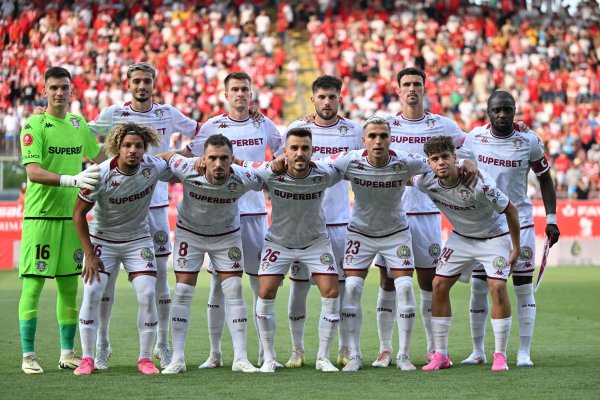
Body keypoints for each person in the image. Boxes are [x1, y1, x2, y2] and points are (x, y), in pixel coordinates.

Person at [88, 62, 200, 369]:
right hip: (117, 208)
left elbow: (202, 131)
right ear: (128, 84)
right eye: (136, 81)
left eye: (146, 81)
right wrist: (99, 163)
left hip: (156, 207)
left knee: (160, 278)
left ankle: (162, 345)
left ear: (154, 84)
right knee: (105, 282)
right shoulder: (114, 113)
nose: (141, 86)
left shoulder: (167, 113)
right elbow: (84, 135)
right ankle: (102, 345)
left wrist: (182, 154)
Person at [373, 67, 477, 367]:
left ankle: (433, 348)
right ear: (398, 90)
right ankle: (385, 348)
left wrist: (468, 161)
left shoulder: (441, 124)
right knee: (388, 281)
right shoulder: (386, 125)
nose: (411, 89)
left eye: (416, 84)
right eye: (406, 84)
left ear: (424, 89)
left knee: (428, 281)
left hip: (428, 213)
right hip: (391, 214)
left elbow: (471, 145)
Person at [181, 72, 283, 369]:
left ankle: (265, 354)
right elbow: (191, 157)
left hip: (254, 214)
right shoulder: (213, 126)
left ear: (251, 93)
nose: (240, 93)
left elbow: (281, 158)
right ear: (226, 94)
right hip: (221, 216)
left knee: (259, 284)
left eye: (245, 89)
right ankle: (215, 354)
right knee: (218, 285)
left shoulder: (263, 124)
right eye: (235, 89)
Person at [458, 91, 560, 367]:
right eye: (497, 110)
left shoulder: (529, 140)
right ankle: (477, 351)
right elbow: (457, 163)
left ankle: (524, 352)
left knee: (523, 287)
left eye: (507, 109)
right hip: (484, 224)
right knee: (479, 286)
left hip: (520, 222)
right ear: (488, 112)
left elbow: (545, 179)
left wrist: (551, 218)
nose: (502, 114)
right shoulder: (475, 138)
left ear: (515, 111)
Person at [322, 117, 431, 372]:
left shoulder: (405, 161)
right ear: (364, 140)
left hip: (396, 234)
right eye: (372, 136)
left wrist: (464, 163)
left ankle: (403, 355)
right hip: (360, 234)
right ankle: (355, 355)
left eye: (383, 136)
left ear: (391, 139)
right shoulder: (350, 160)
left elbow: (436, 165)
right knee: (351, 289)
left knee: (405, 289)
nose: (378, 141)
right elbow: (315, 165)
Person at [18, 66, 104, 374]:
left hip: (72, 219)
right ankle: (28, 355)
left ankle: (67, 353)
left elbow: (101, 158)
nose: (58, 92)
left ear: (71, 91)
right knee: (33, 287)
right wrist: (73, 180)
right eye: (53, 87)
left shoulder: (78, 124)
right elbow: (33, 172)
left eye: (64, 87)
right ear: (44, 90)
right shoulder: (34, 124)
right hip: (40, 218)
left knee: (69, 287)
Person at [157, 134, 263, 374]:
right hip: (190, 235)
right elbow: (164, 157)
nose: (218, 164)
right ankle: (178, 359)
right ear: (203, 159)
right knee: (183, 292)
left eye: (224, 158)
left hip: (226, 236)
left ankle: (240, 358)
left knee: (234, 290)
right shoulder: (186, 167)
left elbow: (268, 175)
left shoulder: (243, 176)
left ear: (232, 159)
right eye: (212, 158)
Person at [413, 135, 520, 372]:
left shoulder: (479, 183)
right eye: (435, 159)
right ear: (429, 163)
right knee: (438, 285)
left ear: (455, 157)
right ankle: (441, 355)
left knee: (497, 287)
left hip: (493, 237)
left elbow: (511, 210)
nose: (441, 162)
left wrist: (516, 248)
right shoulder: (425, 182)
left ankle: (500, 355)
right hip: (461, 238)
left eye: (445, 157)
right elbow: (402, 173)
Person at [72, 123, 171, 375]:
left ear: (145, 149)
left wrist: (197, 159)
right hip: (103, 240)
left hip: (138, 239)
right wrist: (89, 254)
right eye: (127, 145)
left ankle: (145, 358)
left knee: (147, 294)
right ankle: (88, 357)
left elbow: (170, 159)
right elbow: (78, 214)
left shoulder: (152, 167)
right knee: (92, 292)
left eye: (138, 146)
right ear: (117, 147)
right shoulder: (99, 174)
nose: (132, 150)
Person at [241, 127, 342, 373]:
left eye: (305, 148)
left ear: (312, 151)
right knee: (264, 292)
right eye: (294, 148)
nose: (299, 153)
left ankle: (323, 358)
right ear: (284, 151)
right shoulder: (271, 172)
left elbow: (351, 163)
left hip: (315, 243)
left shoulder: (324, 173)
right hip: (279, 243)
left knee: (331, 292)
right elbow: (242, 165)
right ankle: (269, 358)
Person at [279, 75, 363, 368]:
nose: (327, 102)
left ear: (340, 98)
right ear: (312, 99)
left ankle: (344, 348)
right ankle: (297, 350)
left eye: (332, 97)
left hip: (339, 222)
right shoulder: (297, 129)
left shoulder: (355, 131)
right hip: (302, 224)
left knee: (338, 288)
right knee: (299, 286)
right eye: (322, 97)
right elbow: (281, 166)